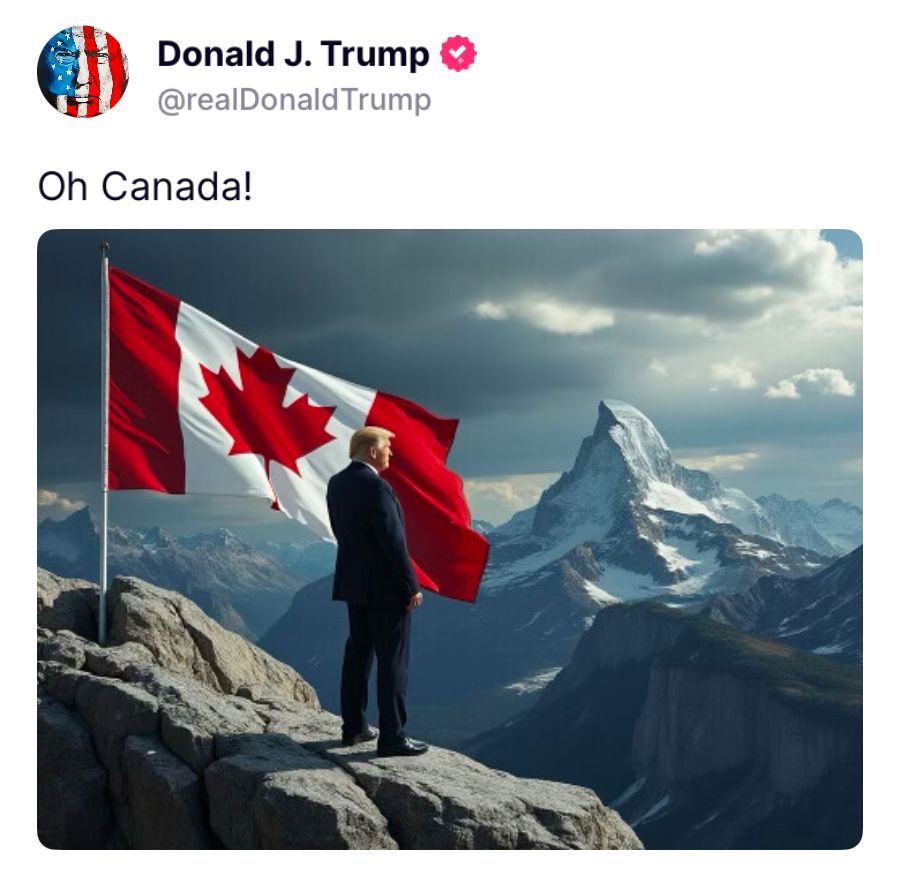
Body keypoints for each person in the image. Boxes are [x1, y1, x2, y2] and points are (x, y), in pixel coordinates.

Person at [326, 426, 428, 757]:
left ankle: (353, 728)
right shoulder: (378, 488)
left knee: (357, 654)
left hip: (353, 584)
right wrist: (409, 584)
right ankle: (392, 737)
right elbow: (393, 541)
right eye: (387, 447)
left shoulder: (336, 483)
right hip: (385, 589)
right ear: (372, 451)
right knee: (392, 661)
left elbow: (340, 532)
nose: (391, 453)